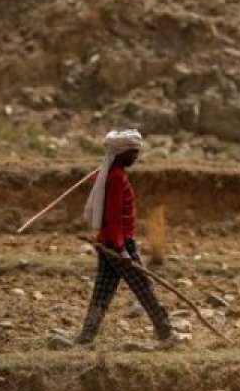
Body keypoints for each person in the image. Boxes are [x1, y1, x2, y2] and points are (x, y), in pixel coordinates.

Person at [76, 129, 178, 347]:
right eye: (133, 152)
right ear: (121, 153)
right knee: (144, 288)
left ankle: (86, 338)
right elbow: (113, 217)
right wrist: (122, 249)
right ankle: (166, 333)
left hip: (108, 242)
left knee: (102, 292)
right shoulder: (115, 178)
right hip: (117, 243)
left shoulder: (109, 175)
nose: (136, 156)